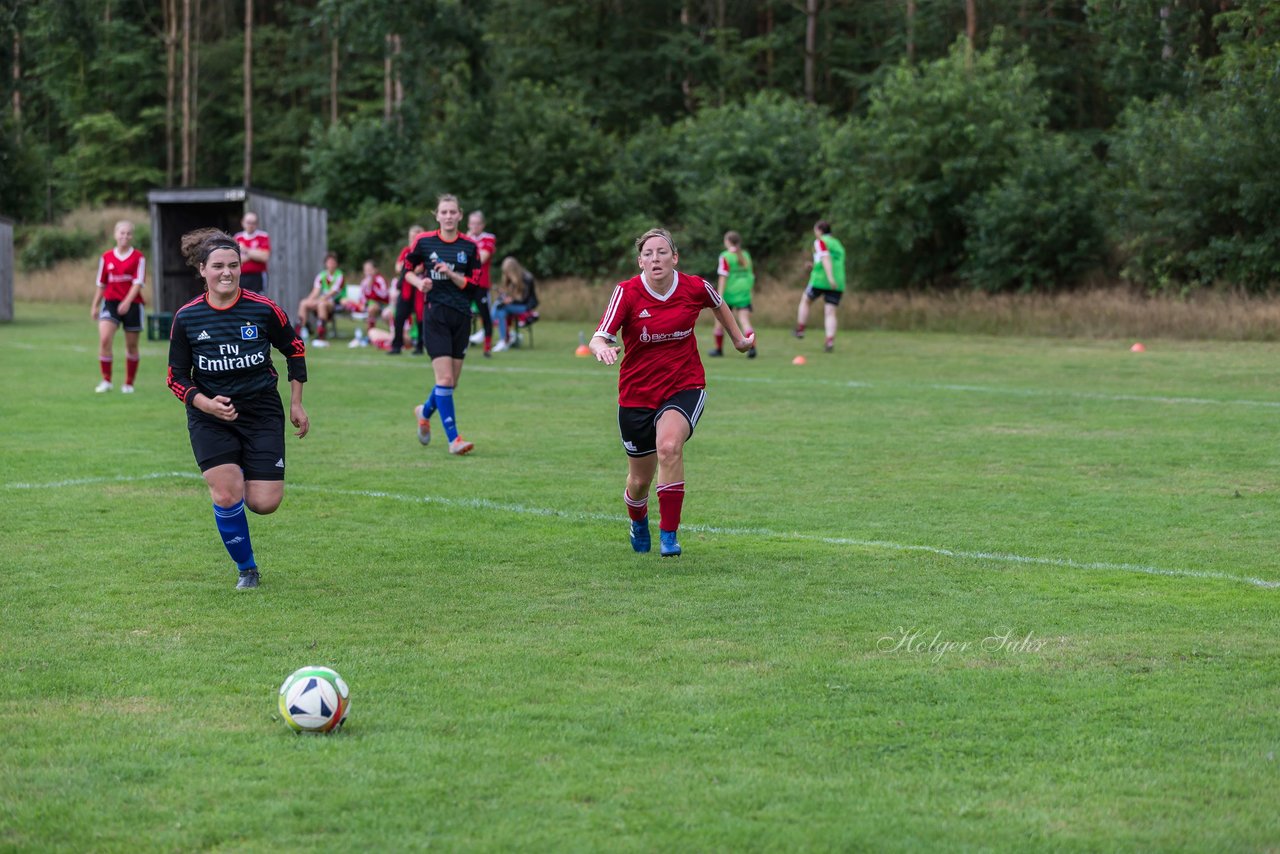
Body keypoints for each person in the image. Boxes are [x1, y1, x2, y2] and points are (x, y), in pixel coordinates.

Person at [589, 227, 753, 557]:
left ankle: (669, 534)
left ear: (674, 257)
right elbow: (599, 335)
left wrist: (738, 339)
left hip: (684, 385)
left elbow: (718, 304)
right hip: (637, 395)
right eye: (648, 254)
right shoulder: (628, 293)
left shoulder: (694, 286)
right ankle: (638, 519)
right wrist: (601, 348)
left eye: (662, 252)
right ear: (640, 262)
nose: (655, 258)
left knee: (669, 446)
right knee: (638, 482)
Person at [166, 227, 309, 589]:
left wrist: (296, 403)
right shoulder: (187, 317)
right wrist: (204, 404)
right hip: (209, 415)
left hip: (261, 411)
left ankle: (242, 470)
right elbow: (176, 376)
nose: (226, 272)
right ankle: (247, 568)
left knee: (264, 502)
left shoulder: (264, 309)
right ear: (203, 270)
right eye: (218, 266)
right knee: (227, 492)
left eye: (233, 265)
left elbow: (294, 349)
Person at [405, 194, 480, 455]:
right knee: (445, 379)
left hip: (461, 317)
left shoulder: (470, 247)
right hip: (435, 315)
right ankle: (454, 439)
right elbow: (406, 269)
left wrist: (449, 273)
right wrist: (419, 283)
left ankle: (424, 412)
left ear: (460, 215)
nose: (448, 216)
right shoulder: (424, 242)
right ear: (436, 215)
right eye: (443, 212)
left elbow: (473, 285)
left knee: (450, 384)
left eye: (452, 212)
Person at [89, 220, 147, 393]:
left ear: (132, 236)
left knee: (131, 346)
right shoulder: (106, 257)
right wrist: (94, 306)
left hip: (133, 304)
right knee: (105, 339)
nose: (125, 236)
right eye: (122, 233)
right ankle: (106, 381)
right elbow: (102, 284)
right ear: (115, 235)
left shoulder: (139, 257)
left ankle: (129, 383)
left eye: (128, 233)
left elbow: (138, 283)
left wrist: (127, 302)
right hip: (111, 303)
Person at [794, 220, 846, 352]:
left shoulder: (820, 241)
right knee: (830, 311)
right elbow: (830, 260)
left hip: (821, 280)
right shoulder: (838, 244)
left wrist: (830, 278)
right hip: (838, 281)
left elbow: (826, 258)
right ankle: (829, 341)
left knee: (805, 300)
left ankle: (800, 329)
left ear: (819, 230)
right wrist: (814, 265)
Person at [708, 230, 757, 359]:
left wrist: (719, 296)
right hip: (744, 292)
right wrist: (750, 291)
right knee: (745, 321)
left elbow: (723, 277)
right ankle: (752, 348)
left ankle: (718, 349)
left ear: (727, 242)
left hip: (729, 293)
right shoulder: (745, 255)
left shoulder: (725, 256)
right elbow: (751, 275)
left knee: (719, 321)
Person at [464, 210, 497, 357]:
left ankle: (487, 347)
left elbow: (482, 258)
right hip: (465, 283)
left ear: (482, 225)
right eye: (472, 223)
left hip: (481, 284)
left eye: (477, 224)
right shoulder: (464, 238)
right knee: (462, 314)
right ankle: (462, 344)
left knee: (485, 314)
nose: (474, 226)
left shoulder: (488, 239)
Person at [389, 224, 425, 355]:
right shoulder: (406, 251)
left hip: (420, 289)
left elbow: (419, 268)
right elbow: (398, 267)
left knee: (421, 317)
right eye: (412, 237)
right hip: (406, 289)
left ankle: (420, 346)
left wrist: (407, 269)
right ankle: (396, 346)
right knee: (399, 317)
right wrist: (407, 269)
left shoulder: (424, 252)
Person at [296, 252, 344, 348]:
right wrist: (309, 301)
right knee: (303, 303)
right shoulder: (321, 276)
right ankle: (300, 331)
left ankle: (321, 335)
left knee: (322, 304)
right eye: (329, 262)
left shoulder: (339, 275)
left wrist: (320, 299)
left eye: (333, 262)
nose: (331, 264)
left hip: (334, 302)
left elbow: (333, 292)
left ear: (336, 264)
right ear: (326, 264)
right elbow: (315, 292)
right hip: (321, 301)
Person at [491, 256, 536, 353]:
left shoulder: (527, 278)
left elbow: (524, 299)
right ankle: (503, 339)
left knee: (500, 307)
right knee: (501, 309)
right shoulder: (511, 280)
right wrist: (504, 297)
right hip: (513, 306)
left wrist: (511, 301)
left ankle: (491, 331)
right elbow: (510, 296)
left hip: (525, 307)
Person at [345, 259, 391, 348]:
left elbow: (384, 295)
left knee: (372, 308)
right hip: (367, 304)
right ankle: (359, 335)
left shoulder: (379, 279)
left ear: (375, 270)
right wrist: (362, 304)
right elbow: (362, 297)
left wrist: (373, 286)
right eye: (366, 270)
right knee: (348, 303)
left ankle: (370, 334)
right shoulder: (364, 282)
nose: (368, 272)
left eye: (370, 269)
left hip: (380, 304)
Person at [234, 211, 271, 294]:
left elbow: (264, 257)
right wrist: (255, 254)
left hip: (258, 276)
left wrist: (245, 250)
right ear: (243, 223)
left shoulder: (263, 236)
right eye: (248, 222)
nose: (251, 225)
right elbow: (236, 259)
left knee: (259, 300)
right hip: (241, 276)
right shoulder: (237, 237)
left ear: (257, 224)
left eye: (253, 223)